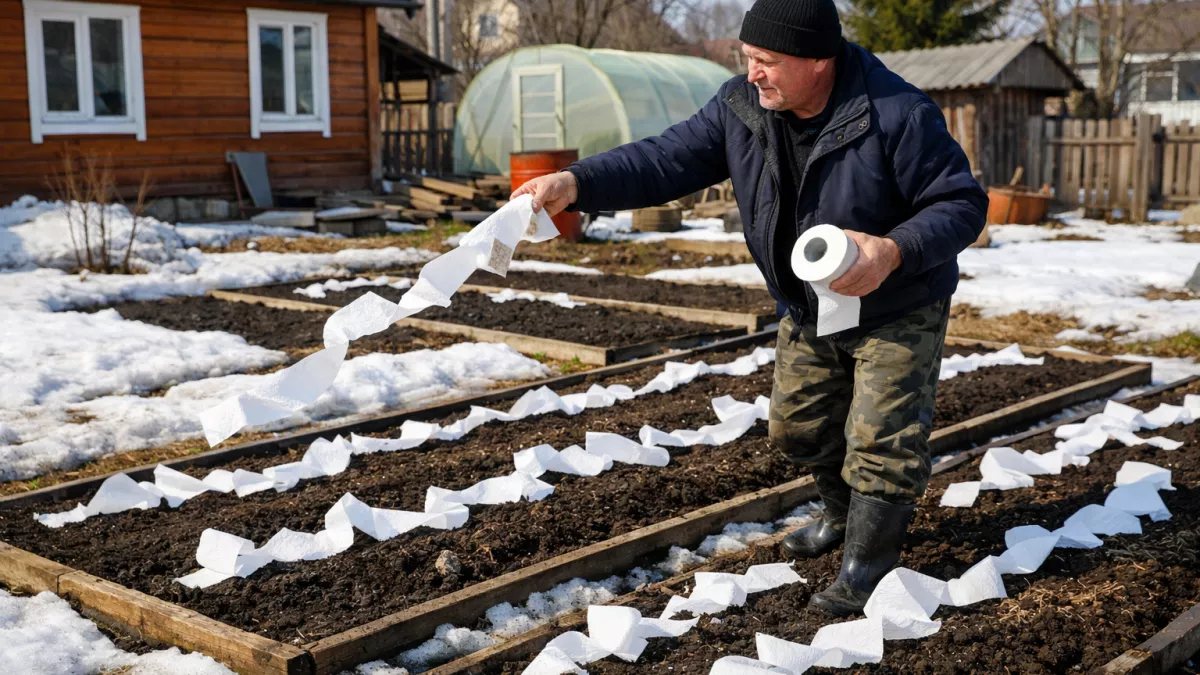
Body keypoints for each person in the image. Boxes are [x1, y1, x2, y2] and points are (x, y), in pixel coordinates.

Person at [511, 0, 987, 616]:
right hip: (810, 301)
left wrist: (893, 250)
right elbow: (666, 158)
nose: (753, 73)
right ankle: (842, 517)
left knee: (881, 439)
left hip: (897, 301)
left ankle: (866, 572)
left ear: (820, 61)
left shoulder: (897, 113)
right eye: (747, 58)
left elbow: (960, 203)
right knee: (797, 428)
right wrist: (575, 184)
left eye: (767, 61)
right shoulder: (742, 106)